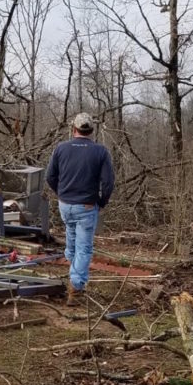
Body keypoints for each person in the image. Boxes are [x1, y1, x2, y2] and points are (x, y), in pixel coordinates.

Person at [45, 112, 115, 306]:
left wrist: (62, 194)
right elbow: (108, 183)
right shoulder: (100, 152)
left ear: (73, 129)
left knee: (72, 241)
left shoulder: (61, 148)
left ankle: (72, 270)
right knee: (84, 248)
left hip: (65, 205)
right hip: (86, 206)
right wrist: (101, 202)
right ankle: (75, 288)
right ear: (91, 130)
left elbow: (50, 177)